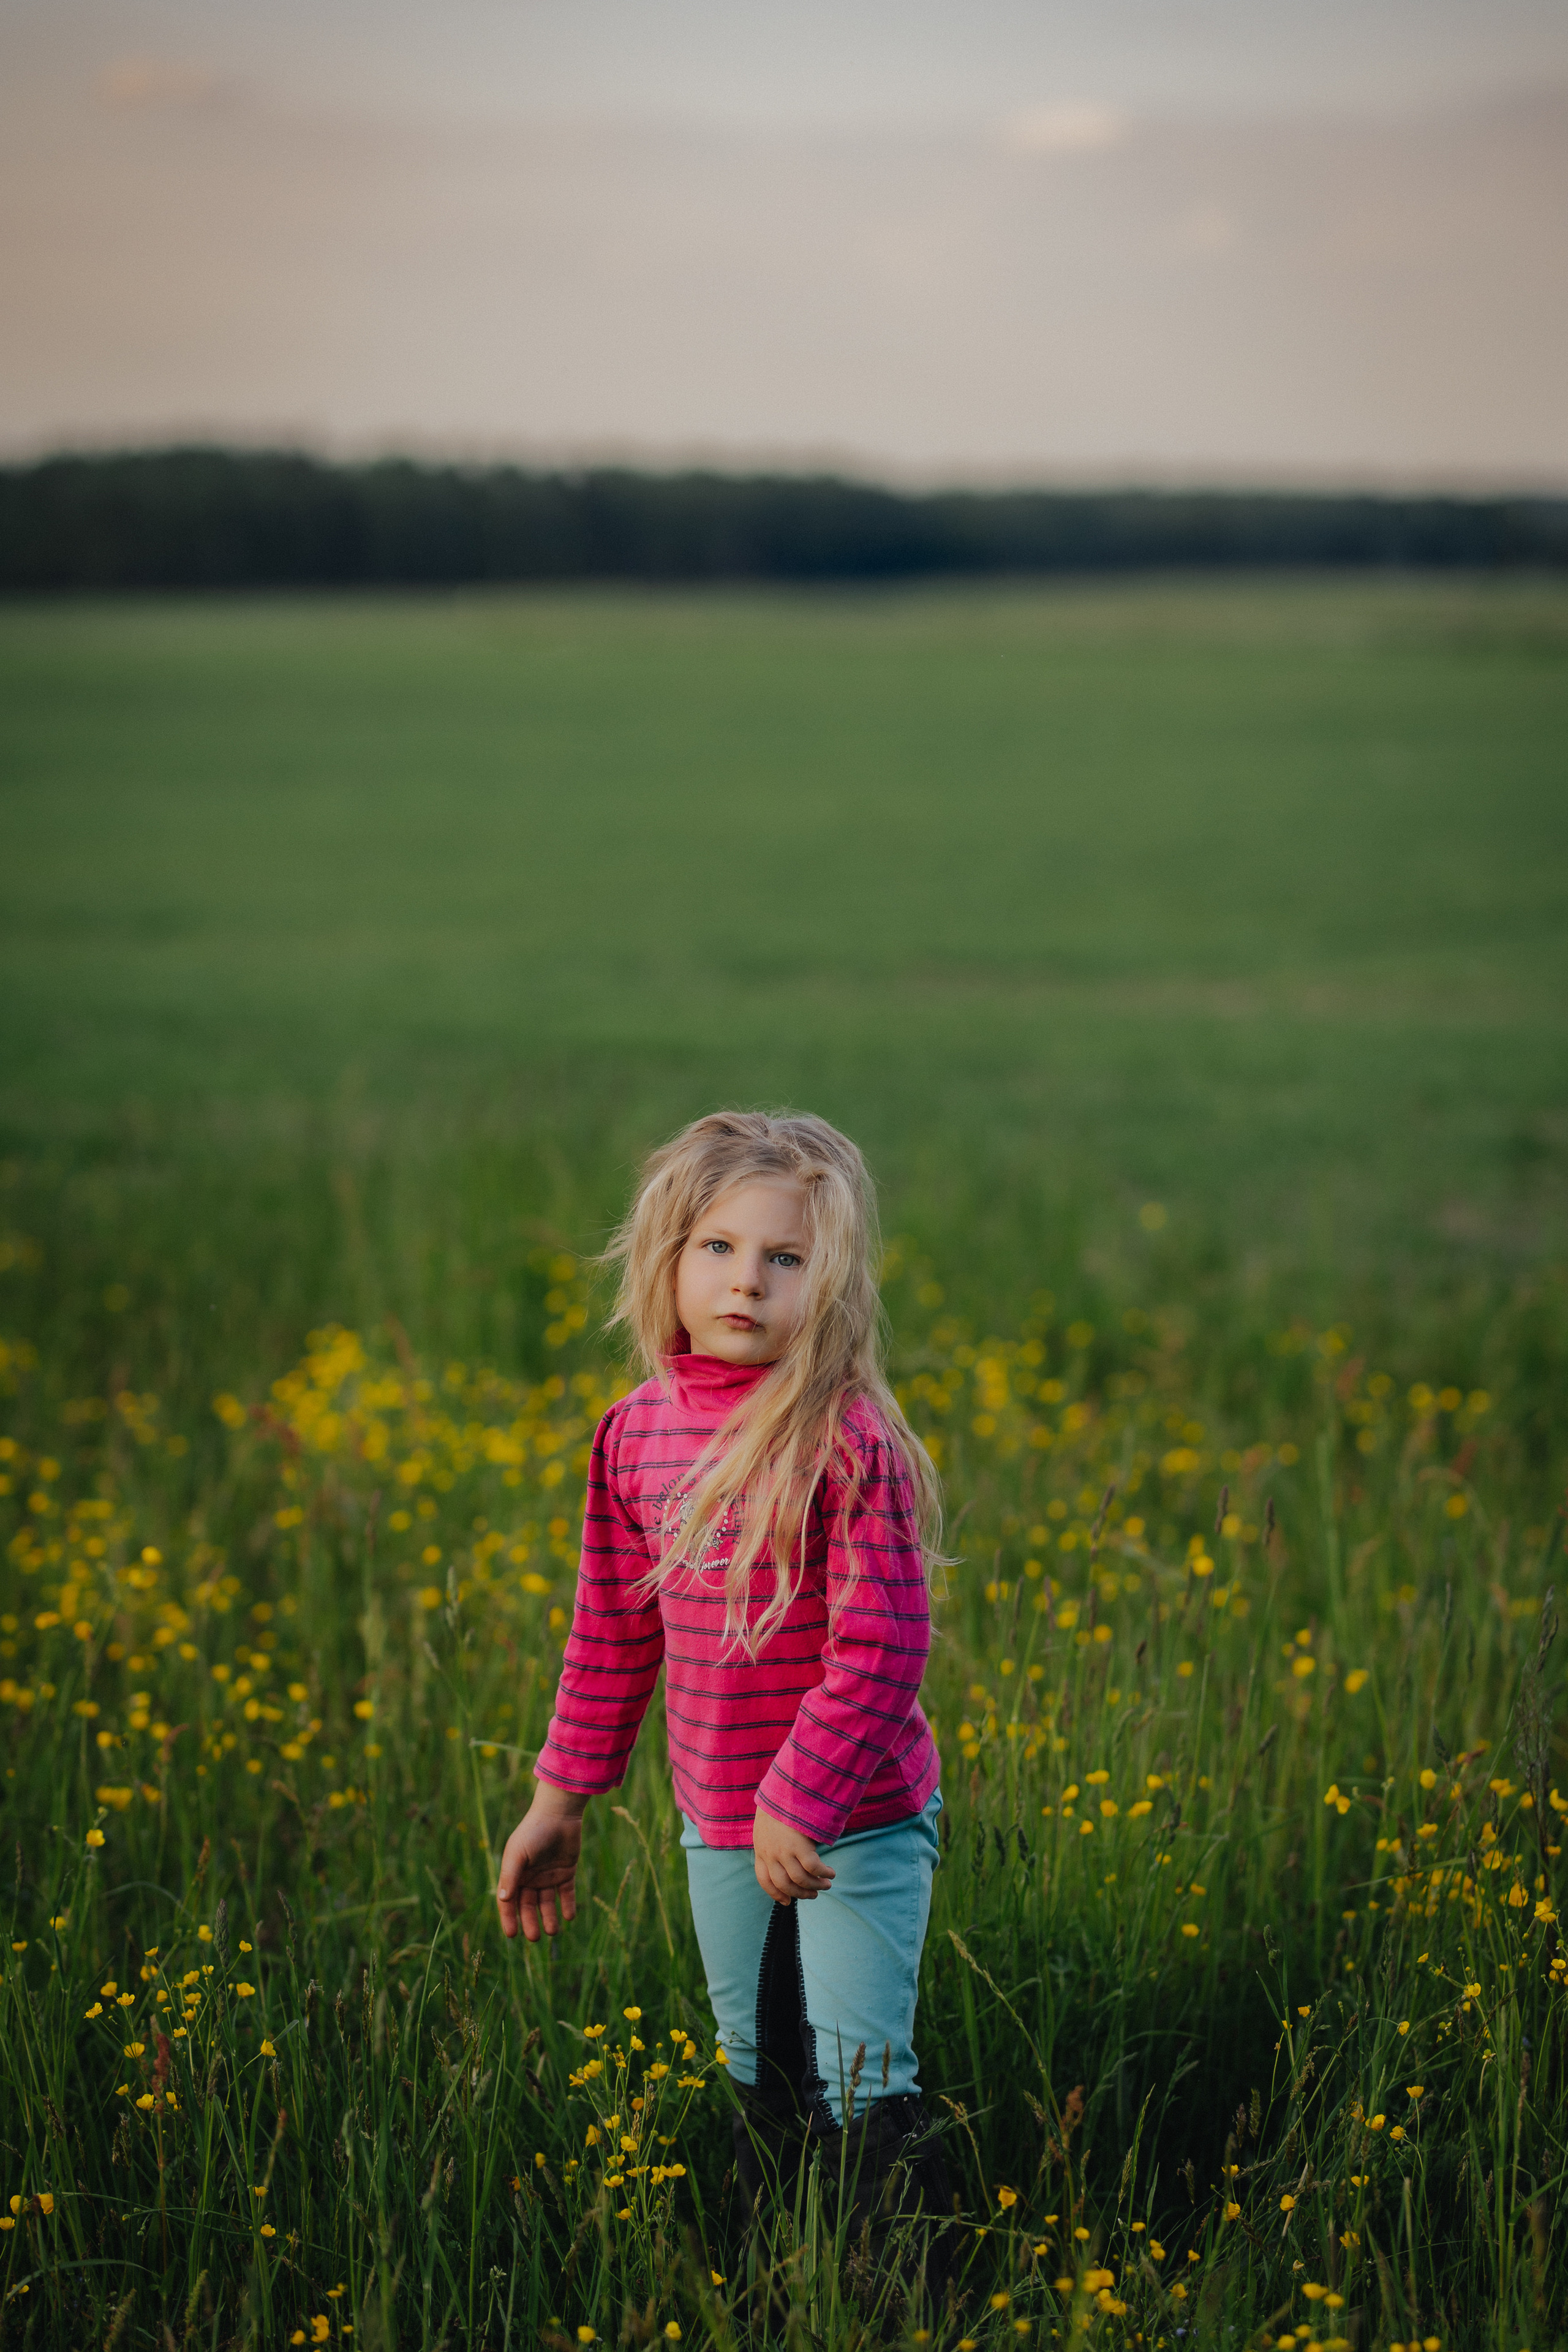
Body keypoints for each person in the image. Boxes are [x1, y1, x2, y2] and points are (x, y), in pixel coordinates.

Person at [495, 1109, 951, 2270]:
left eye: (784, 1259)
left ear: (832, 1282)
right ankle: (772, 2278)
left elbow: (884, 1647)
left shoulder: (848, 1442)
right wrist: (561, 1800)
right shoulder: (632, 1436)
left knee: (858, 2072)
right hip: (718, 1814)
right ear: (667, 1260)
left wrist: (800, 1798)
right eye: (717, 1248)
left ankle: (896, 2294)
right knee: (756, 2061)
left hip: (855, 1818)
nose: (745, 1281)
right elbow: (611, 1632)